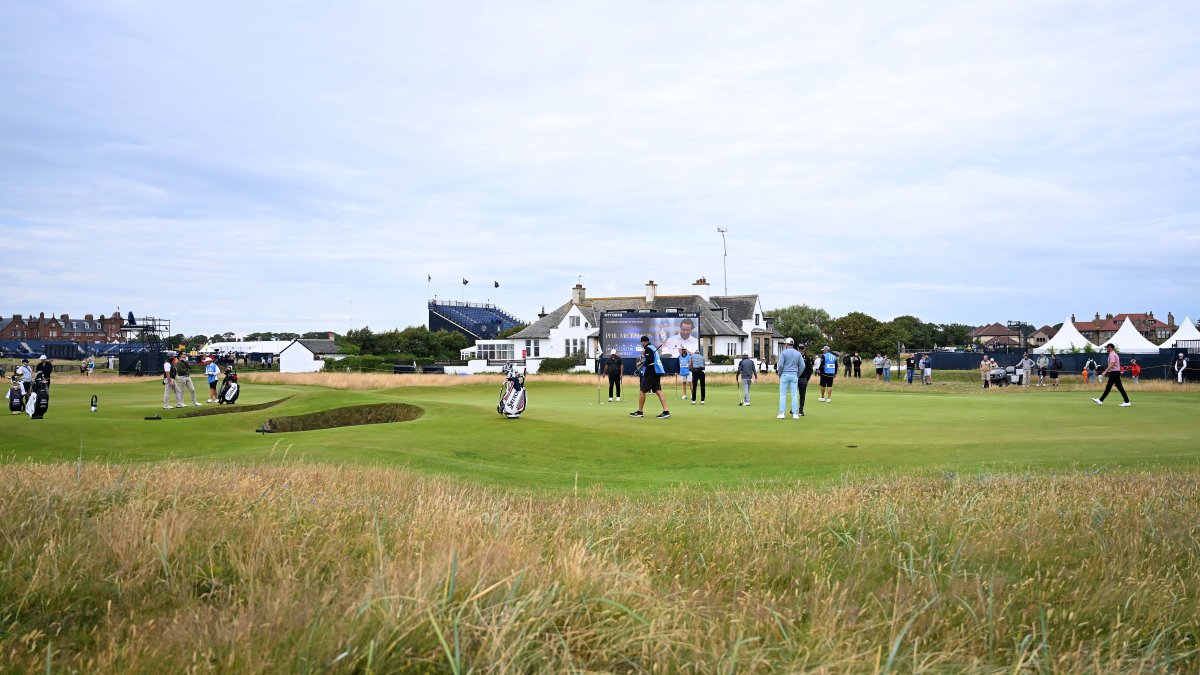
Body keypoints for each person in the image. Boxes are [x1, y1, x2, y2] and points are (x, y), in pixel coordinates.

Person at [630, 335, 670, 419]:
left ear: (644, 342)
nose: (641, 344)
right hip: (656, 372)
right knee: (658, 391)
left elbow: (648, 361)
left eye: (642, 342)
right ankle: (666, 411)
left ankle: (640, 411)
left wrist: (640, 362)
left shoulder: (648, 348)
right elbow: (650, 359)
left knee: (642, 391)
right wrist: (643, 358)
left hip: (651, 372)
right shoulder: (652, 348)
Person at [775, 338, 802, 419]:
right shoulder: (798, 353)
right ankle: (795, 414)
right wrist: (798, 374)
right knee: (794, 394)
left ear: (786, 344)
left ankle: (782, 413)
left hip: (785, 375)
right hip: (794, 375)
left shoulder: (783, 353)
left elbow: (780, 365)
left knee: (783, 394)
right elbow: (802, 365)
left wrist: (779, 373)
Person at [795, 344, 812, 416]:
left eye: (802, 348)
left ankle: (801, 410)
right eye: (800, 348)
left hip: (803, 378)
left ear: (804, 349)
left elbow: (810, 370)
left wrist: (806, 379)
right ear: (798, 348)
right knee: (794, 394)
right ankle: (794, 409)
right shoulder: (795, 356)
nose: (801, 350)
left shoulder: (807, 358)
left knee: (802, 395)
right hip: (795, 378)